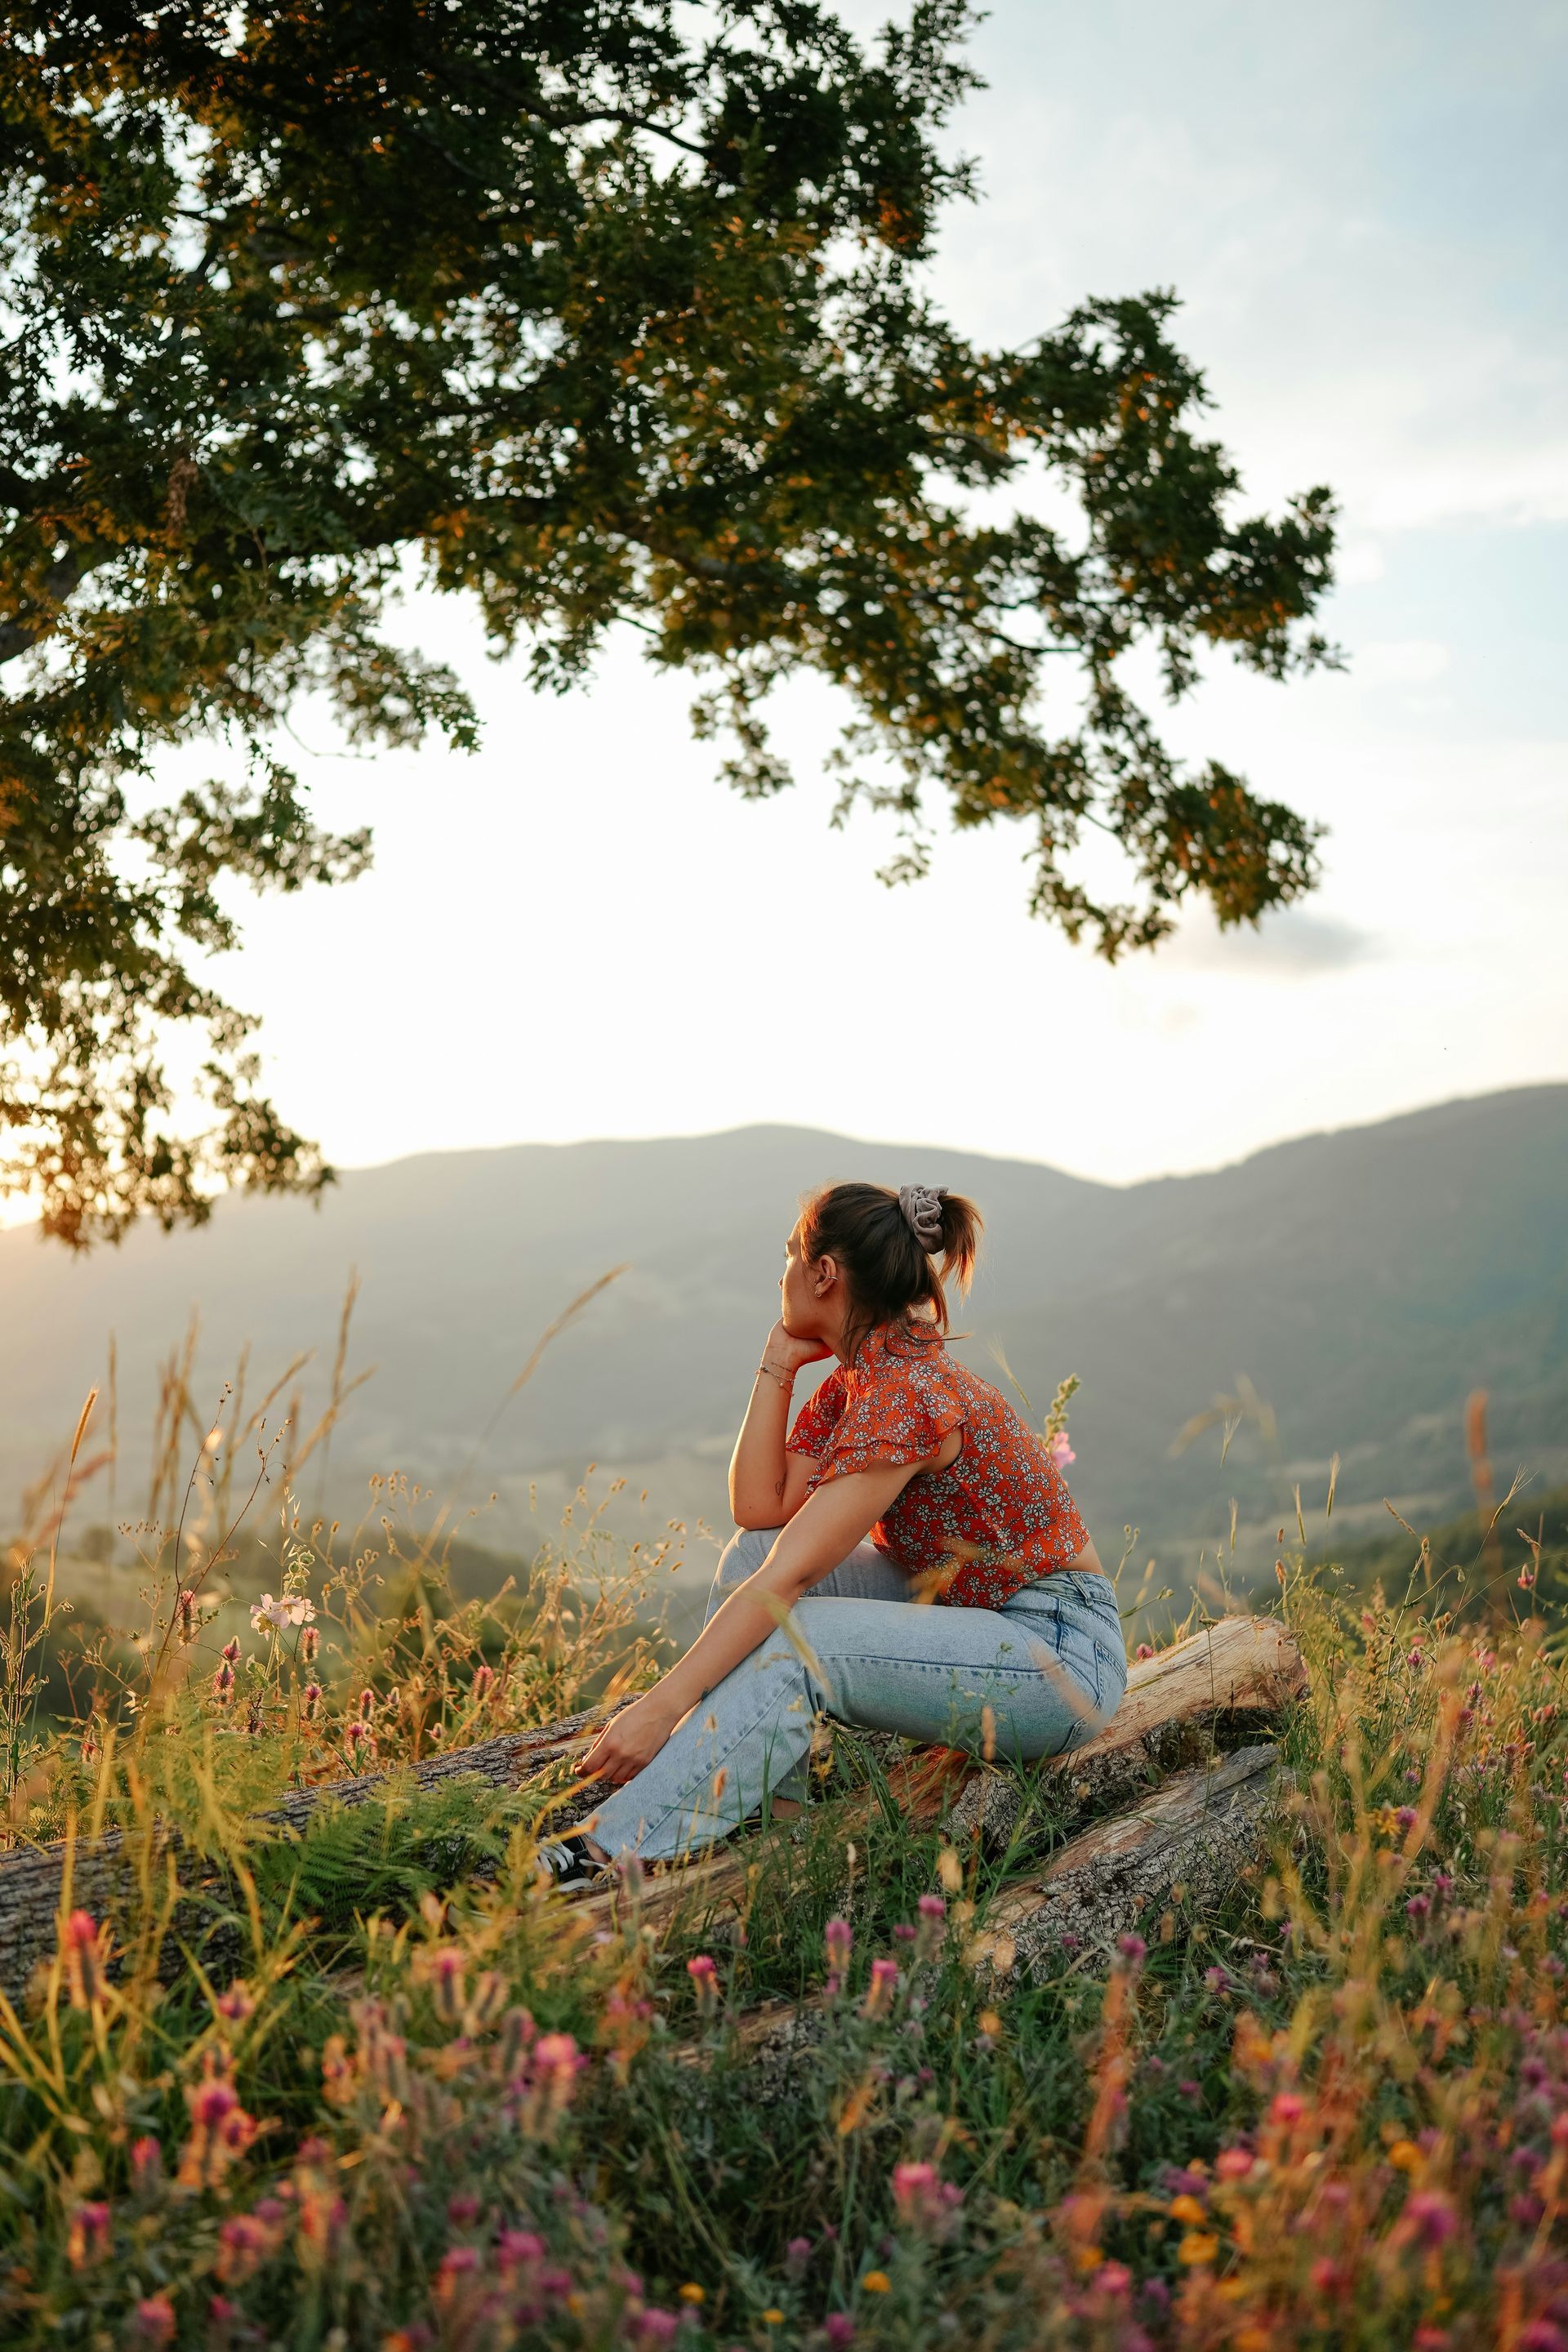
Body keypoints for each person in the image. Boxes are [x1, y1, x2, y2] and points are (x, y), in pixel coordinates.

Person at [537, 1181, 1126, 1890]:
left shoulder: (908, 1392)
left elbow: (788, 1586)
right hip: (970, 1610)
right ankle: (774, 1815)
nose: (780, 1273)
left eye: (789, 1255)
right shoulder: (862, 1380)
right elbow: (760, 1510)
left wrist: (660, 1709)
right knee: (753, 1557)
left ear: (823, 1274)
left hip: (1059, 1656)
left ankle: (601, 1855)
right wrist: (778, 1364)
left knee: (798, 1633)